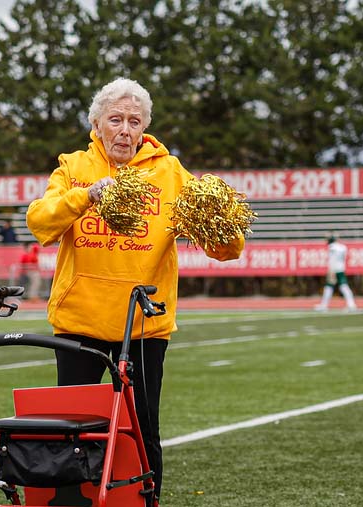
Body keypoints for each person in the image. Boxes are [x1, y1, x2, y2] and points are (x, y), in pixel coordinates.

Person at [26, 77, 244, 505]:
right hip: (79, 322)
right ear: (96, 123)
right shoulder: (73, 167)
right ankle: (71, 502)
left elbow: (227, 249)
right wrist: (86, 196)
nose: (125, 130)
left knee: (143, 429)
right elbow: (40, 223)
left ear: (144, 127)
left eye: (134, 121)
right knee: (74, 428)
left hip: (142, 324)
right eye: (115, 119)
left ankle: (145, 501)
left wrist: (225, 222)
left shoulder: (170, 172)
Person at [314, 234, 357, 311]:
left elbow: (333, 258)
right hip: (341, 268)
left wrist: (331, 270)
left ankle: (324, 305)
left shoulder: (332, 247)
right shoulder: (342, 247)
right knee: (343, 287)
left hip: (334, 269)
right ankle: (351, 304)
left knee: (329, 287)